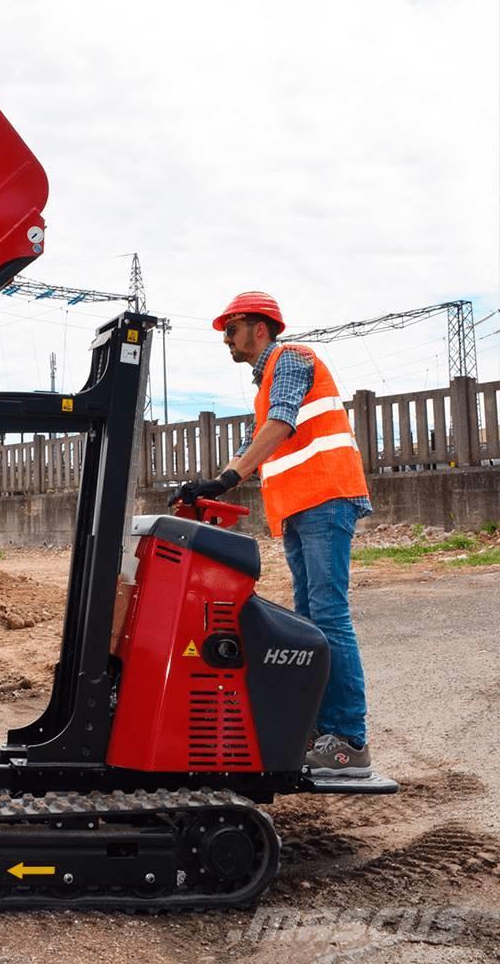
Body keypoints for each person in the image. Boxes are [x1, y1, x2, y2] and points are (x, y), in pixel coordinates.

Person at [170, 292, 374, 777]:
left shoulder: (291, 359)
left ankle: (349, 740)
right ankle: (323, 731)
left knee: (327, 614)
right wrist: (208, 485)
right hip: (303, 507)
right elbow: (254, 441)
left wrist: (228, 479)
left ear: (260, 328)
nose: (226, 340)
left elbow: (280, 423)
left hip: (325, 499)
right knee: (311, 616)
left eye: (232, 329)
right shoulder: (266, 381)